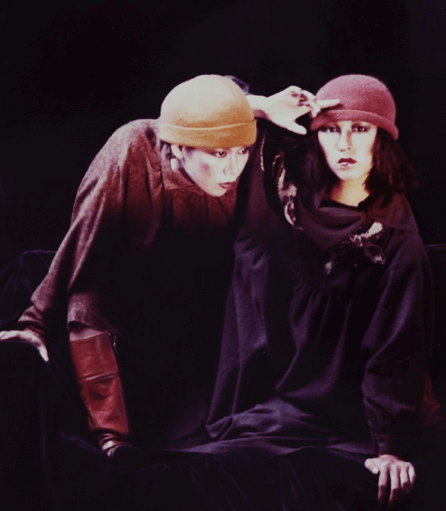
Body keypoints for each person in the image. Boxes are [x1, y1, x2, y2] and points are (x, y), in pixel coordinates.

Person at [0, 74, 337, 510]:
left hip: (201, 286)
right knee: (86, 298)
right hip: (126, 273)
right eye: (219, 154)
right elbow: (83, 243)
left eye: (241, 151)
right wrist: (35, 322)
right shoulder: (131, 151)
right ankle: (112, 439)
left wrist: (263, 108)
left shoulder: (244, 149)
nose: (232, 168)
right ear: (178, 146)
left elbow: (224, 122)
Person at [181, 74, 446, 509]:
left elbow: (396, 350)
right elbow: (200, 114)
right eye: (329, 130)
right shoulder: (281, 179)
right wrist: (263, 106)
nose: (345, 144)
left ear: (382, 137)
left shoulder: (396, 241)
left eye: (360, 128)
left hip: (339, 411)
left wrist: (389, 446)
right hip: (252, 389)